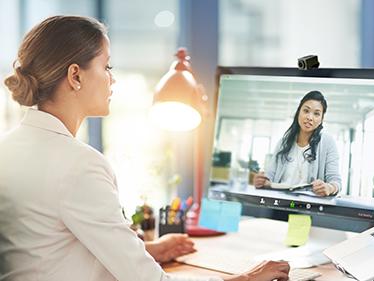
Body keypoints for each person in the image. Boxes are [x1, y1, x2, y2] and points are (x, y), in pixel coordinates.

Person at [0, 16, 289, 281]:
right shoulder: (79, 165)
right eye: (106, 66)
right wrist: (247, 278)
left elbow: (50, 249)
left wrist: (148, 250)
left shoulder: (8, 149)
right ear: (75, 76)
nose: (112, 78)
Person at [253, 91, 341, 197]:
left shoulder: (327, 142)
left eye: (316, 114)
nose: (310, 117)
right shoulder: (283, 142)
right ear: (299, 112)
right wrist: (261, 181)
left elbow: (336, 181)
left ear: (321, 119)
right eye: (306, 111)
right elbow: (270, 176)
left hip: (309, 206)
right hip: (279, 202)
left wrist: (329, 187)